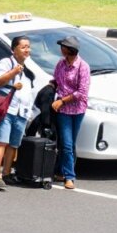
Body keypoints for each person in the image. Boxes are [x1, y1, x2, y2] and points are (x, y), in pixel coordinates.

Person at [0, 35, 36, 191]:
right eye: (23, 47)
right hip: (6, 109)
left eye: (28, 47)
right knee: (2, 142)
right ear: (14, 49)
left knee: (13, 144)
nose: (27, 50)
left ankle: (7, 173)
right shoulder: (6, 63)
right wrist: (14, 71)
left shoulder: (28, 68)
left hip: (21, 111)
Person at [51, 36, 90, 190]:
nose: (61, 48)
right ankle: (69, 176)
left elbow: (82, 92)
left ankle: (62, 172)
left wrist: (62, 100)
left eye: (63, 46)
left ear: (69, 49)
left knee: (69, 143)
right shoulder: (61, 64)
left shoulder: (83, 66)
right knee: (66, 144)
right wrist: (51, 85)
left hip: (77, 109)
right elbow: (56, 80)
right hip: (63, 111)